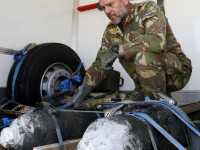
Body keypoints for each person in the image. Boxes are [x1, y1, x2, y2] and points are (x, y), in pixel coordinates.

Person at [62, 0, 192, 109]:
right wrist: (83, 89)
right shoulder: (111, 30)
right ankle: (155, 100)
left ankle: (158, 109)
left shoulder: (147, 9)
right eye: (104, 8)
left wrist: (122, 49)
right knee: (123, 110)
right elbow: (100, 64)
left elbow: (157, 41)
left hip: (177, 73)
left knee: (143, 57)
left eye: (110, 4)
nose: (107, 11)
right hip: (144, 84)